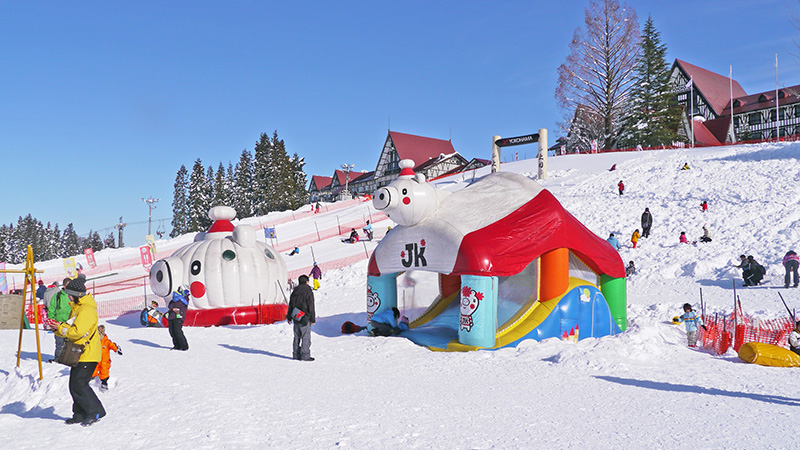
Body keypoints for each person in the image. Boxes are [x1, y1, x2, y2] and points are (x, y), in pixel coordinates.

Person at [53, 276, 106, 426]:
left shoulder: (87, 310)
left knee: (79, 384)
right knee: (74, 384)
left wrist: (60, 328)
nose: (68, 297)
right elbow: (70, 329)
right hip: (79, 352)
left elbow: (77, 331)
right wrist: (57, 329)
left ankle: (95, 411)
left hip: (88, 353)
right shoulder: (77, 309)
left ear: (77, 295)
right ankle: (80, 413)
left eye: (69, 294)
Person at [287, 275, 316, 361]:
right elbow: (311, 306)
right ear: (306, 282)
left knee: (296, 337)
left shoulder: (294, 292)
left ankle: (295, 354)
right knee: (305, 336)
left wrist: (289, 317)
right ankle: (305, 356)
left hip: (296, 317)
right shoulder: (308, 291)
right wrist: (313, 319)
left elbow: (290, 305)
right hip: (305, 318)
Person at [47, 278, 73, 362]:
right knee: (59, 343)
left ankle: (69, 359)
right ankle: (58, 358)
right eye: (68, 285)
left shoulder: (73, 296)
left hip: (70, 323)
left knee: (70, 343)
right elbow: (52, 308)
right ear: (64, 286)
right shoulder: (57, 296)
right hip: (58, 323)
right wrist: (51, 319)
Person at [92, 325, 121, 392]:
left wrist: (116, 349)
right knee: (93, 369)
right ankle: (92, 378)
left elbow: (112, 345)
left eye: (99, 334)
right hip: (96, 360)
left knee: (104, 372)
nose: (98, 336)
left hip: (105, 361)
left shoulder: (106, 341)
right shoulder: (94, 342)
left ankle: (104, 383)